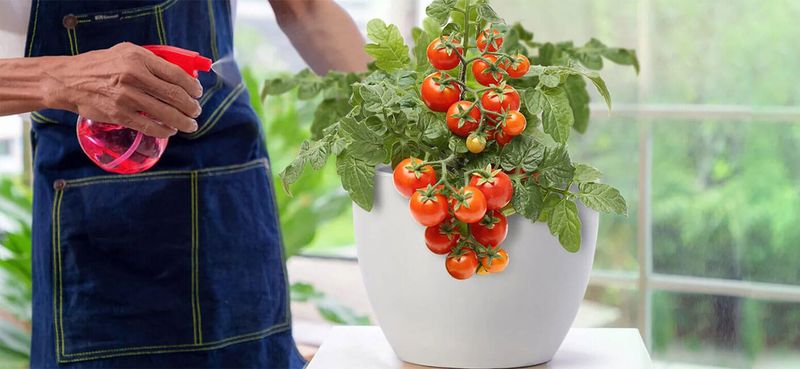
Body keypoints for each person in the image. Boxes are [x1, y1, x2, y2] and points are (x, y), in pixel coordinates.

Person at [0, 1, 369, 368]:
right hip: (95, 230)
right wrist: (57, 78)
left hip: (227, 205)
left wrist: (398, 128)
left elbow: (306, 9)